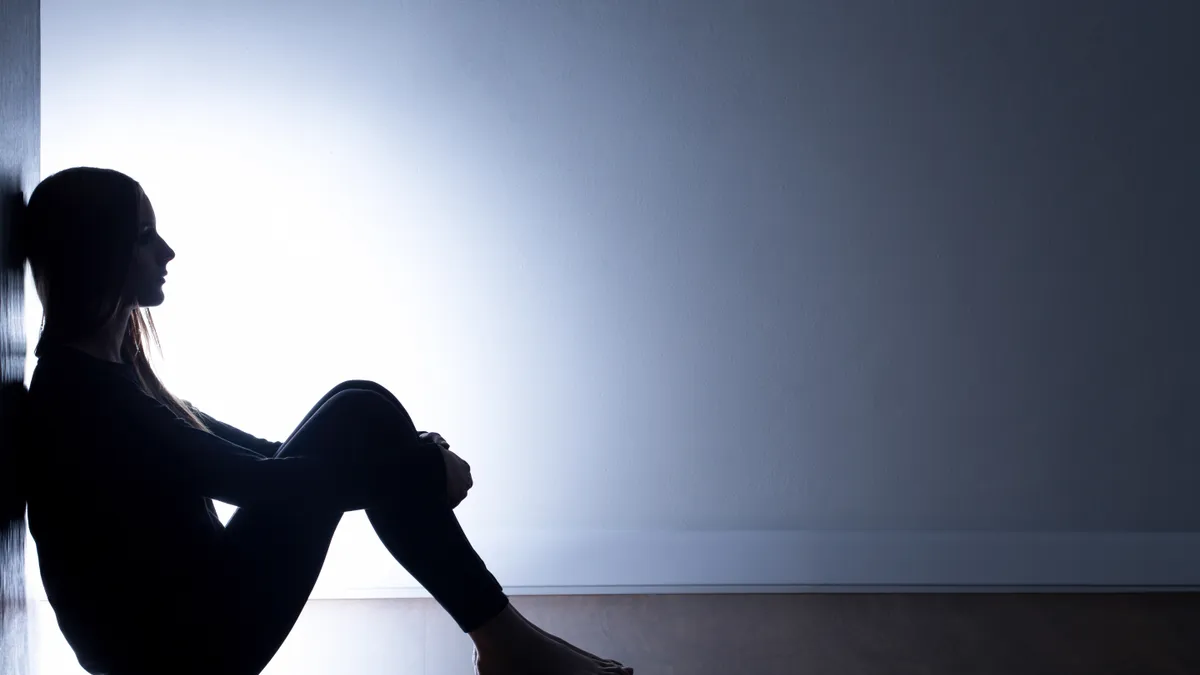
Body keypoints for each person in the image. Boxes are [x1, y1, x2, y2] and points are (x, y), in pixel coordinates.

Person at [19, 167, 633, 675]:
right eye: (144, 236)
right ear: (98, 251)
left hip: (196, 616)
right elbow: (259, 484)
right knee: (360, 412)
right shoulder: (85, 399)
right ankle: (508, 645)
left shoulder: (110, 373)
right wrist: (413, 467)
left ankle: (506, 644)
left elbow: (263, 455)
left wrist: (404, 459)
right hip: (180, 653)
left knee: (358, 403)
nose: (167, 252)